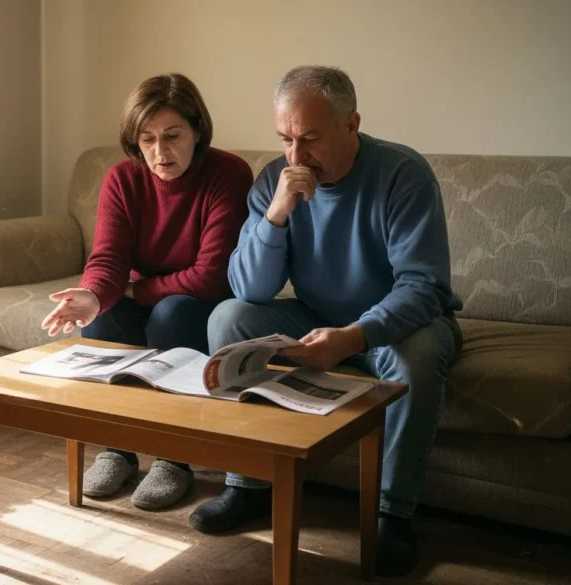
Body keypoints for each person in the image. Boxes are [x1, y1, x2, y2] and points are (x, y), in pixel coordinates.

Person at [191, 65, 462, 578]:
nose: (296, 155)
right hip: (315, 315)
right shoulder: (276, 179)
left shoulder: (403, 174)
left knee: (419, 353)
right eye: (286, 139)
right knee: (229, 318)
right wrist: (275, 215)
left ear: (352, 124)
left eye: (310, 138)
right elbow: (249, 288)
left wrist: (354, 337)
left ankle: (393, 514)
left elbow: (424, 286)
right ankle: (248, 485)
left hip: (400, 324)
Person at [41, 73, 253, 511]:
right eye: (147, 139)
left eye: (173, 136)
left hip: (201, 306)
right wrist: (95, 295)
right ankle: (117, 448)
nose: (160, 152)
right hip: (152, 296)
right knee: (101, 316)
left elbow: (211, 274)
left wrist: (135, 291)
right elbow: (108, 258)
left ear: (198, 130)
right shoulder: (123, 179)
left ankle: (174, 458)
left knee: (171, 314)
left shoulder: (228, 173)